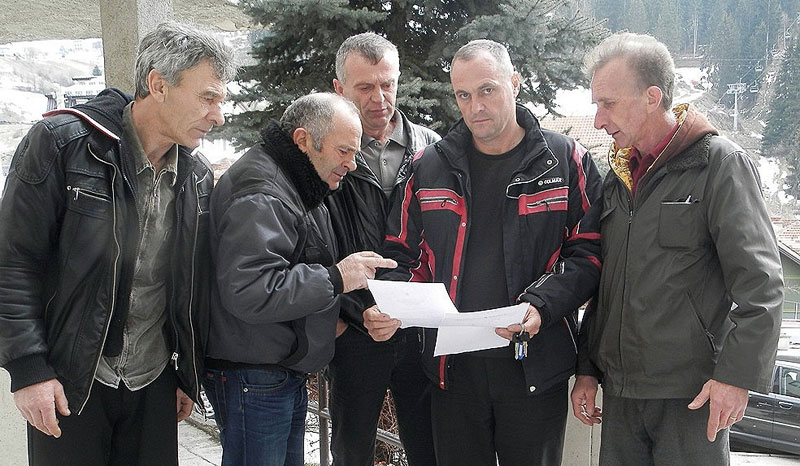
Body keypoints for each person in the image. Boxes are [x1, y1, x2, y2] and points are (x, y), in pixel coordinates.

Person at [0, 22, 236, 466]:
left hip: (153, 380)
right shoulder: (62, 144)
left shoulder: (197, 177)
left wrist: (185, 373)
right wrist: (28, 369)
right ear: (158, 85)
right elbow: (13, 262)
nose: (218, 116)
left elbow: (186, 287)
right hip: (70, 380)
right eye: (208, 98)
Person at [365, 39, 603, 466]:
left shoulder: (566, 160)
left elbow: (588, 253)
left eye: (487, 90)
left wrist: (541, 304)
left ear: (515, 83)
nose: (475, 107)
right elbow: (402, 255)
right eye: (463, 95)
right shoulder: (427, 167)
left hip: (534, 366)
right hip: (452, 371)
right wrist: (391, 306)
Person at [571, 32, 784, 465]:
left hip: (693, 396)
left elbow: (762, 285)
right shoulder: (617, 178)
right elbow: (605, 286)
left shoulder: (719, 165)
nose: (598, 120)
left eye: (608, 104)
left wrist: (736, 378)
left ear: (652, 97)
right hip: (622, 395)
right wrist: (588, 369)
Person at [203, 92, 397, 466]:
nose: (352, 164)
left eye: (355, 152)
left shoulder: (295, 180)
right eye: (344, 151)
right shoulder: (264, 192)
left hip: (273, 370)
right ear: (303, 140)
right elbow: (251, 290)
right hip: (255, 375)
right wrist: (337, 277)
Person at [325, 32, 440, 466]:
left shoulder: (433, 149)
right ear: (339, 88)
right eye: (365, 87)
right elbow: (313, 242)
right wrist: (343, 316)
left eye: (387, 84)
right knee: (351, 451)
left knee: (428, 450)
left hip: (419, 329)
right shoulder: (325, 154)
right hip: (355, 332)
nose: (379, 98)